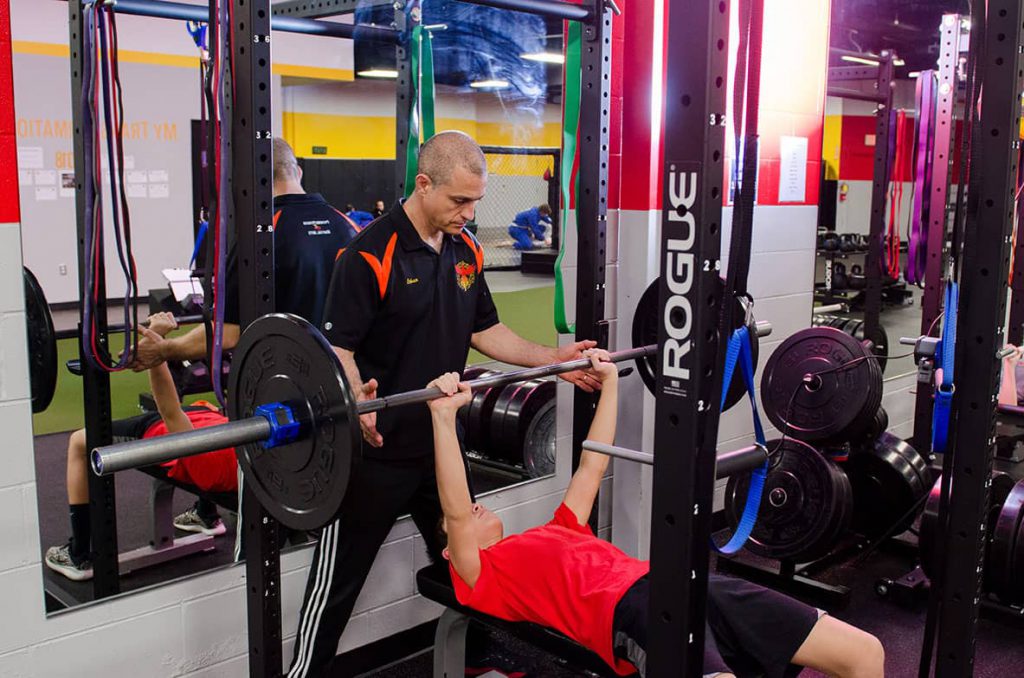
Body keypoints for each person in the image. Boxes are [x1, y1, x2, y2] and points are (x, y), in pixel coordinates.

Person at [286, 130, 602, 677]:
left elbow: (489, 331)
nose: (470, 212)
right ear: (424, 184)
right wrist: (356, 401)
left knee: (474, 569)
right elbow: (338, 349)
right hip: (377, 455)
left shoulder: (466, 250)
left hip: (442, 449)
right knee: (335, 589)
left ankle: (477, 662)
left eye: (476, 200)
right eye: (459, 201)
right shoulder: (368, 253)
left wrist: (557, 360)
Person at [426, 351, 886, 678]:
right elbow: (456, 509)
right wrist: (444, 418)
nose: (473, 507)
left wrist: (610, 384)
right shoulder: (481, 578)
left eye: (472, 504)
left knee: (865, 652)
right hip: (632, 614)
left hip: (683, 584)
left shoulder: (558, 528)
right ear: (451, 550)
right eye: (461, 519)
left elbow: (594, 461)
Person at [129, 138, 357, 532]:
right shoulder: (347, 225)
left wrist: (166, 349)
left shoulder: (262, 235)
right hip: (340, 390)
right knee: (322, 480)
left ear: (252, 183)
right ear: (298, 170)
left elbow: (228, 334)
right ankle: (213, 514)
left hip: (277, 396)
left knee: (267, 492)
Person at [44, 313, 238, 582]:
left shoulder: (210, 464)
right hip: (203, 422)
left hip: (155, 431)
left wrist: (155, 349)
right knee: (210, 415)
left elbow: (168, 408)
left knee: (79, 442)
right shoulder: (258, 444)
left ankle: (78, 555)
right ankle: (205, 515)